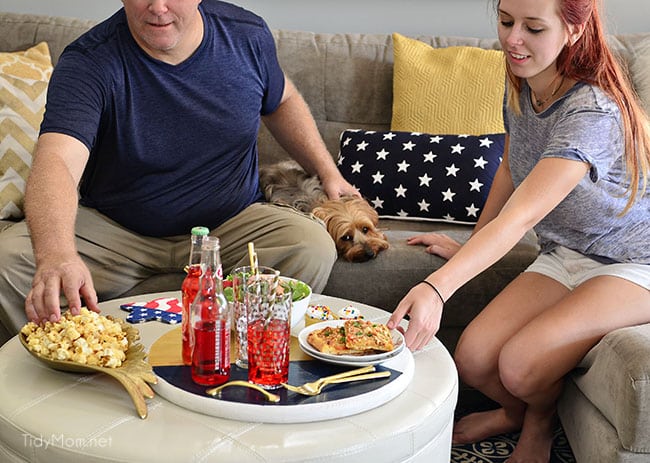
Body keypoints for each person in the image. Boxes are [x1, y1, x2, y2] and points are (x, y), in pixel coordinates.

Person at [387, 0, 650, 460]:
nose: (512, 39)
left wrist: (437, 289)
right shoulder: (524, 84)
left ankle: (538, 424)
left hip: (633, 263)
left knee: (521, 364)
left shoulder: (592, 112)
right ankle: (511, 412)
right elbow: (512, 165)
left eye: (533, 27)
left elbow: (522, 216)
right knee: (472, 359)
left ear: (574, 29)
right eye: (506, 21)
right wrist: (471, 246)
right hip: (565, 253)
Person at [0, 0, 358, 336]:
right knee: (8, 261)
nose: (157, 7)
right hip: (118, 228)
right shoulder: (88, 61)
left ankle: (238, 354)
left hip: (229, 224)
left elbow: (282, 100)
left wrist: (328, 172)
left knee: (310, 246)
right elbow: (57, 160)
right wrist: (57, 256)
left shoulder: (246, 35)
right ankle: (77, 360)